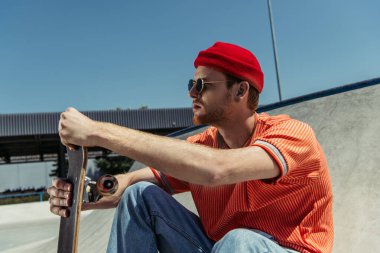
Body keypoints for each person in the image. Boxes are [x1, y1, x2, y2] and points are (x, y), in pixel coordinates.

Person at [48, 42, 334, 253]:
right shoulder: (203, 146)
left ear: (240, 91)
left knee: (239, 241)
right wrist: (84, 194)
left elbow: (217, 170)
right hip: (221, 249)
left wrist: (97, 131)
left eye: (202, 85)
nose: (191, 93)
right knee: (139, 196)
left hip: (288, 249)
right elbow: (129, 183)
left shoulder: (291, 135)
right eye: (191, 83)